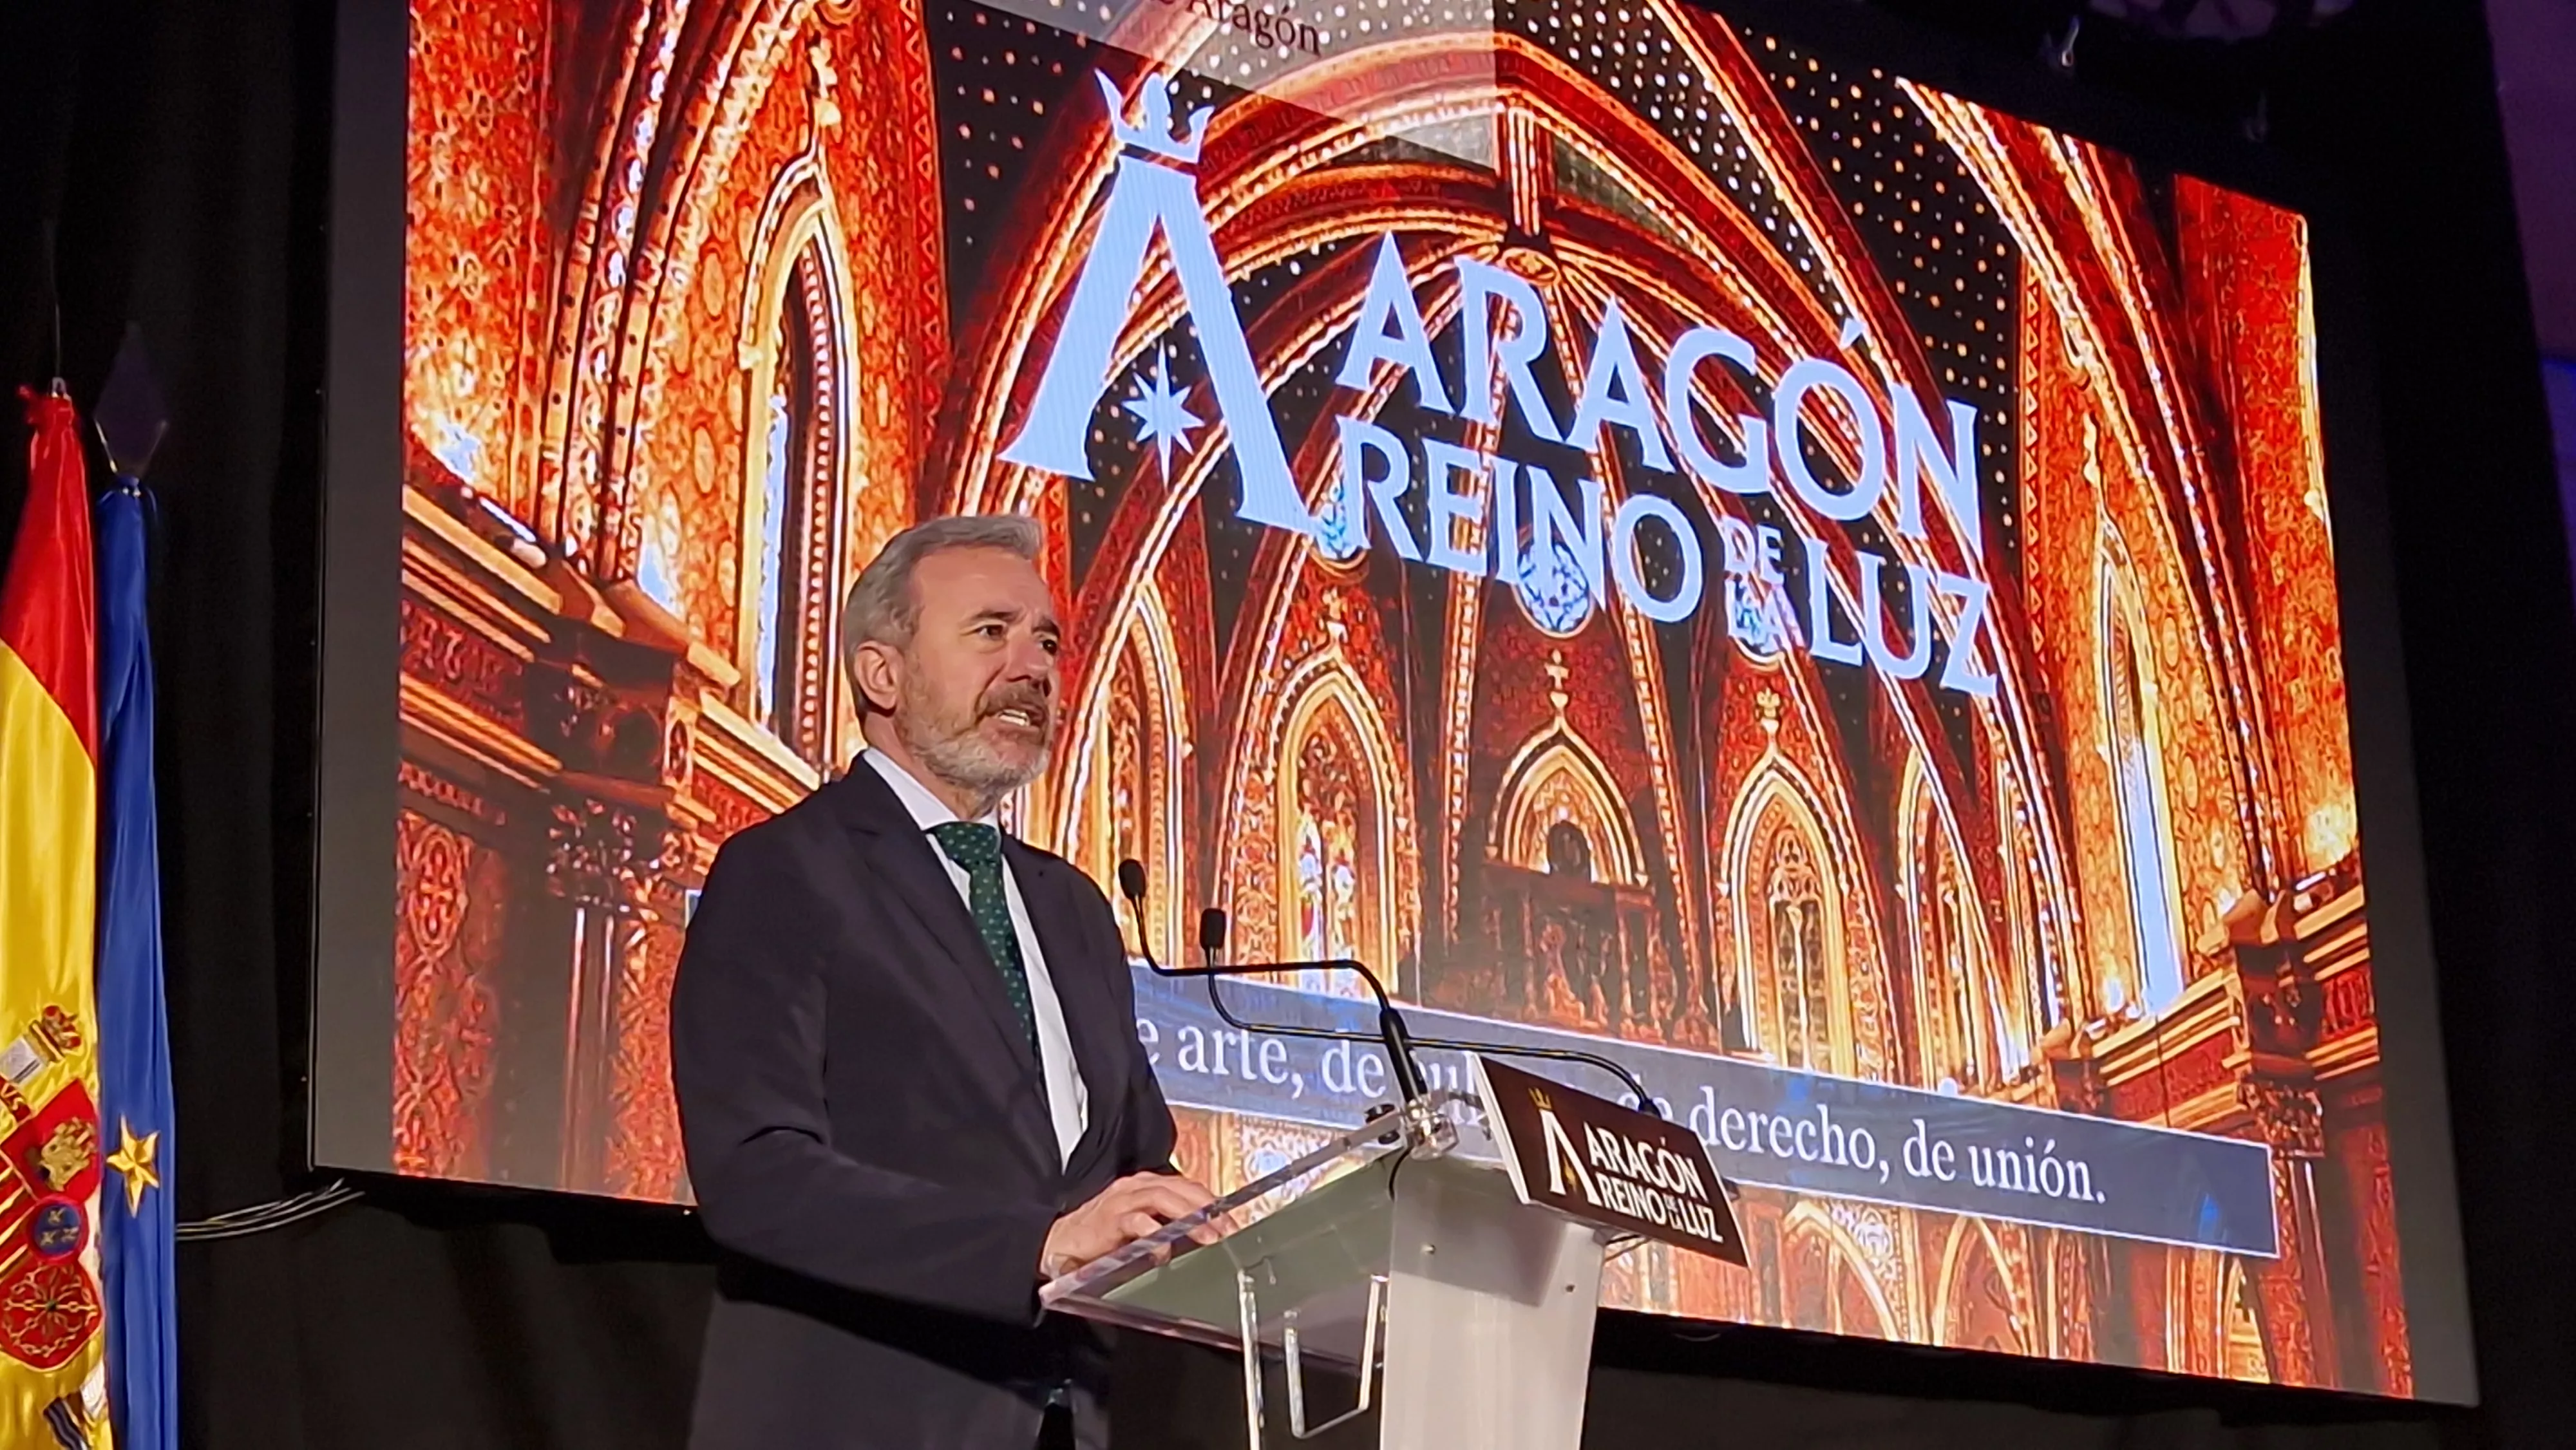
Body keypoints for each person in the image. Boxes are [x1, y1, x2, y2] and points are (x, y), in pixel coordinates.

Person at [672, 514, 1218, 1449]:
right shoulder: (786, 870)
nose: (1034, 666)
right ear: (883, 674)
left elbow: (1128, 1163)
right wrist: (1036, 1248)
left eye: (1046, 639)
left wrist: (1201, 1226)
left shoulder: (1075, 908)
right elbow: (757, 1173)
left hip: (1067, 1422)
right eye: (990, 632)